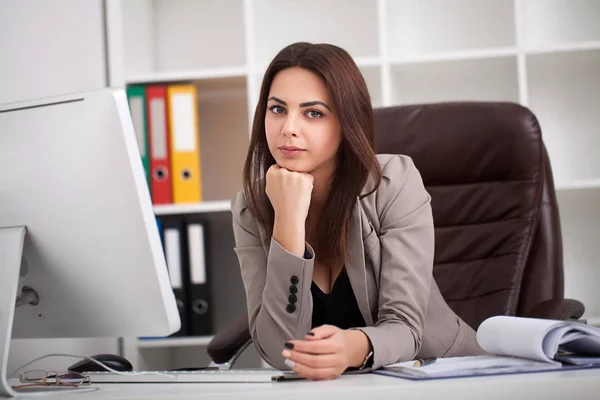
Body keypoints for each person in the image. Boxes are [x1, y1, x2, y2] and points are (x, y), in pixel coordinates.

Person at [231, 42, 484, 381]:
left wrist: (352, 347)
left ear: (347, 122)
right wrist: (288, 223)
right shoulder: (252, 208)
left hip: (444, 375)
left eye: (313, 113)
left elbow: (406, 328)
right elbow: (280, 351)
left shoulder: (393, 184)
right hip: (342, 389)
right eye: (277, 109)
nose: (288, 128)